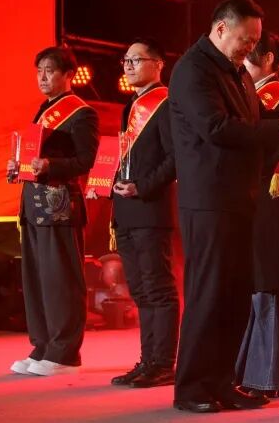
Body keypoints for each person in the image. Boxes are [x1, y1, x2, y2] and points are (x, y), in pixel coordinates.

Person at [168, 0, 279, 413]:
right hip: (209, 199)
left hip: (239, 196)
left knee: (236, 295)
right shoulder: (193, 70)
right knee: (208, 295)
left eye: (255, 41)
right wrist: (277, 132)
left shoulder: (234, 72)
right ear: (221, 28)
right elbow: (217, 128)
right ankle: (193, 387)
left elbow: (254, 121)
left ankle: (222, 382)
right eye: (245, 39)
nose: (250, 48)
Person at [8, 46, 99, 376]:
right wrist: (19, 167)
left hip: (59, 207)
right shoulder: (43, 110)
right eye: (39, 71)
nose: (42, 77)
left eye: (49, 70)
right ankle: (43, 346)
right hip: (33, 207)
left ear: (68, 75)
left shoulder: (81, 113)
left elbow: (86, 161)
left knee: (61, 281)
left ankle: (65, 353)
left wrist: (50, 165)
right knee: (37, 281)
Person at [235, 30, 279, 399]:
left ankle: (267, 377)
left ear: (267, 60)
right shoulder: (248, 95)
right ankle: (252, 372)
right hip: (254, 199)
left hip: (274, 202)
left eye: (249, 55)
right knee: (254, 284)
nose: (242, 63)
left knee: (268, 286)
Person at [109, 38, 180, 388]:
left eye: (137, 60)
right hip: (126, 212)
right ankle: (147, 360)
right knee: (139, 291)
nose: (129, 65)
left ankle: (163, 363)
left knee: (157, 288)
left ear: (158, 64)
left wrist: (143, 186)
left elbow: (175, 158)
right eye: (126, 60)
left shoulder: (166, 103)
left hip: (151, 210)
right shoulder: (131, 106)